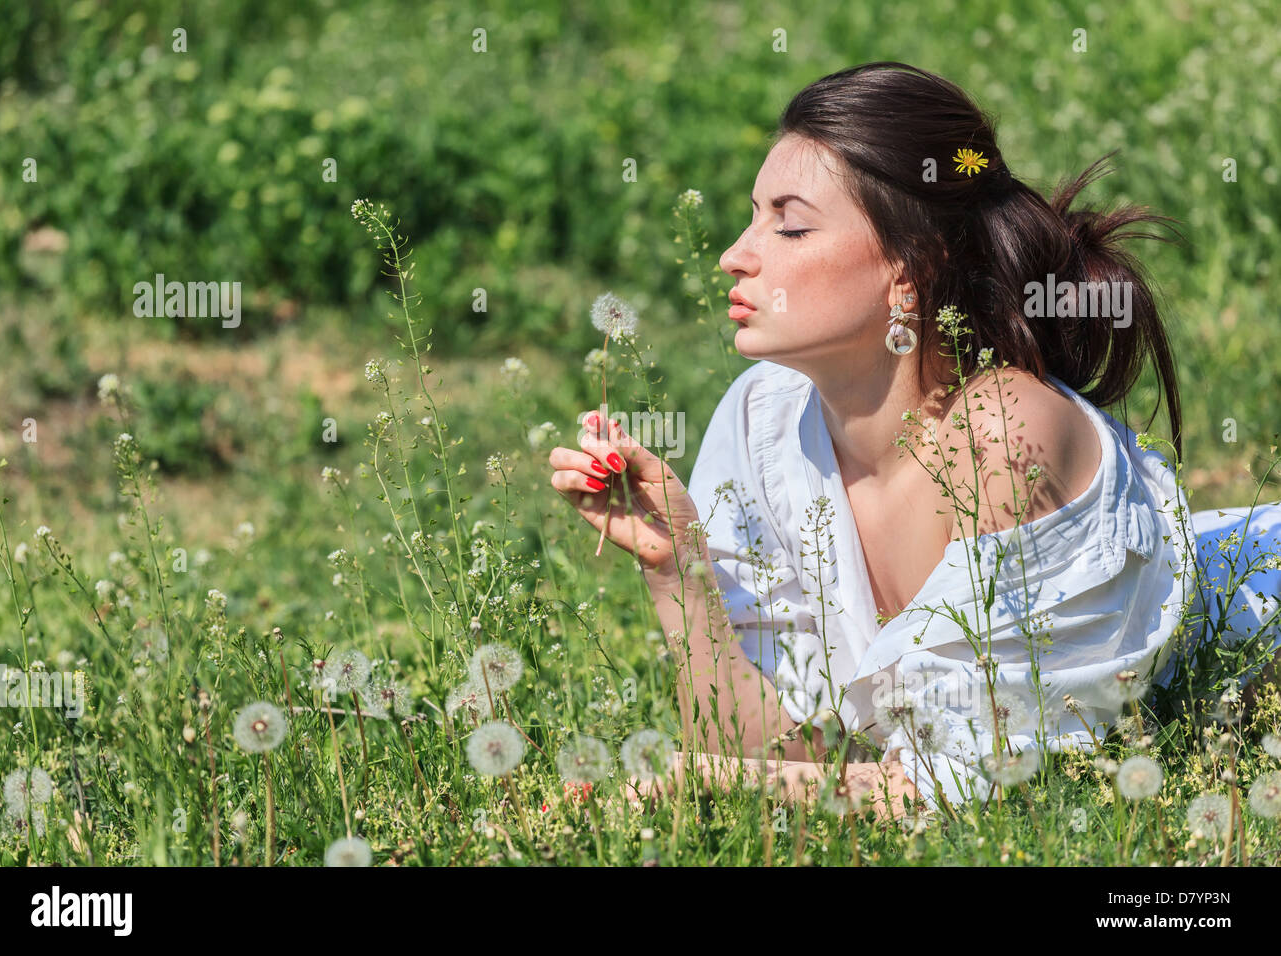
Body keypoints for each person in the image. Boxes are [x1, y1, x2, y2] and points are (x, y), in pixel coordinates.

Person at [548, 62, 1281, 818]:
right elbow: (782, 754)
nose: (737, 253)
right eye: (751, 216)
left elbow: (968, 792)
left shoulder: (1002, 438)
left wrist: (693, 778)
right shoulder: (763, 418)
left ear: (912, 269)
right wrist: (680, 569)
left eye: (790, 225)